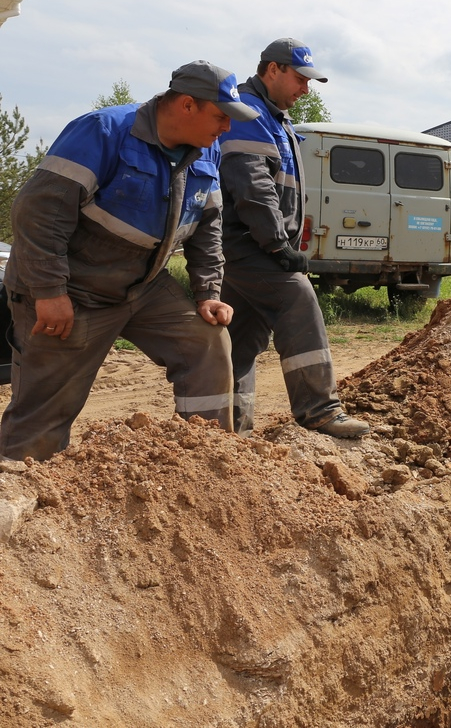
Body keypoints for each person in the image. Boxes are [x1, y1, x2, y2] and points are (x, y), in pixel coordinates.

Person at [0, 61, 254, 461]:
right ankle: (21, 493)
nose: (226, 128)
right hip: (73, 287)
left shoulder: (208, 150)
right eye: (221, 116)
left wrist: (208, 292)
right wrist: (49, 291)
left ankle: (206, 464)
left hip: (143, 285)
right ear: (187, 105)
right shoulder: (103, 131)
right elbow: (38, 214)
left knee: (206, 339)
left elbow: (208, 225)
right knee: (42, 417)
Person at [218, 38, 370, 439]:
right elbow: (253, 189)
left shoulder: (274, 117)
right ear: (273, 70)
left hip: (249, 244)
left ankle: (230, 430)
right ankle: (319, 410)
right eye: (300, 79)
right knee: (297, 298)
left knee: (240, 341)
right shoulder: (249, 115)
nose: (305, 89)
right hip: (247, 245)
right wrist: (277, 246)